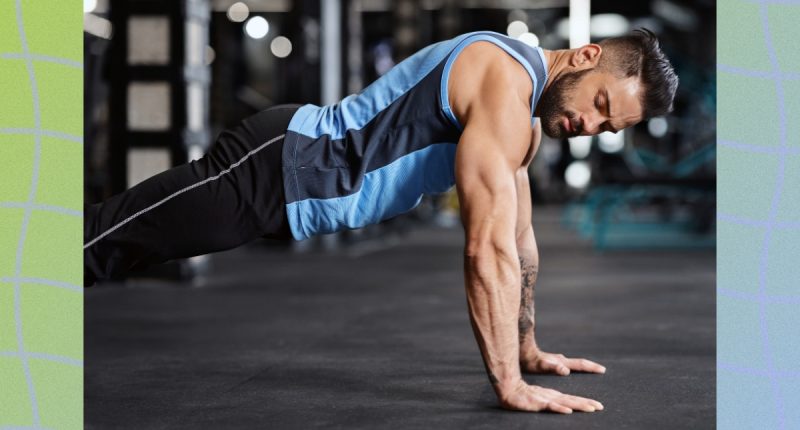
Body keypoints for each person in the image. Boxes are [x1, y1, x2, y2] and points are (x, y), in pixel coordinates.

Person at [84, 28, 678, 414]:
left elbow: (520, 242)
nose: (590, 125)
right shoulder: (505, 81)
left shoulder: (524, 121)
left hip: (291, 198)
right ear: (587, 56)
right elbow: (485, 249)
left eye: (607, 127)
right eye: (600, 103)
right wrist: (508, 384)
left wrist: (527, 349)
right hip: (274, 167)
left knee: (124, 249)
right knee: (102, 241)